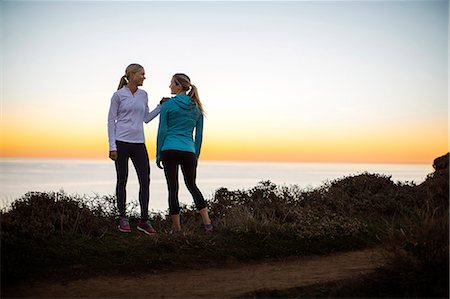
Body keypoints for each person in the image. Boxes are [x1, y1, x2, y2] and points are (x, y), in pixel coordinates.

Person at [156, 73, 213, 233]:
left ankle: (177, 228)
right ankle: (208, 223)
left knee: (173, 189)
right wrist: (196, 155)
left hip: (169, 149)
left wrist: (158, 154)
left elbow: (162, 131)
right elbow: (199, 136)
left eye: (172, 83)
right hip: (189, 151)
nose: (170, 86)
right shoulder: (197, 108)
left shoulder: (168, 105)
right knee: (192, 186)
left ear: (179, 86)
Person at [107, 63, 160, 235]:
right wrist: (112, 146)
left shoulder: (143, 95)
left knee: (145, 180)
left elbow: (146, 118)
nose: (144, 77)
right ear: (132, 75)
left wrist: (160, 107)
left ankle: (144, 220)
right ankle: (123, 217)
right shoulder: (118, 95)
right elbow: (110, 121)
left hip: (139, 143)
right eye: (142, 74)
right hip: (121, 143)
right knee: (122, 180)